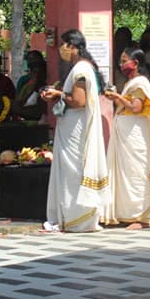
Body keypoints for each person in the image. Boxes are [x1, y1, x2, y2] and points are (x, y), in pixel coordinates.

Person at [41, 29, 110, 232]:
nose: (62, 49)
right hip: (73, 127)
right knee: (72, 170)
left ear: (73, 46)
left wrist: (58, 94)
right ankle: (74, 217)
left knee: (73, 171)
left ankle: (77, 217)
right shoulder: (83, 67)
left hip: (75, 129)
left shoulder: (81, 69)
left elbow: (78, 101)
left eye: (65, 45)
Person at [103, 47, 150, 229]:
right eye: (121, 61)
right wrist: (115, 97)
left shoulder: (140, 83)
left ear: (136, 63)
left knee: (136, 174)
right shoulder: (130, 83)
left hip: (135, 136)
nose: (122, 64)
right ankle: (128, 214)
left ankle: (142, 217)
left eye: (125, 60)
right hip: (126, 134)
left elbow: (136, 108)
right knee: (127, 174)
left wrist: (117, 96)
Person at [11, 50, 48, 123]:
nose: (32, 61)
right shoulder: (24, 80)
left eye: (35, 59)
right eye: (30, 59)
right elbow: (20, 100)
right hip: (26, 108)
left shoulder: (45, 76)